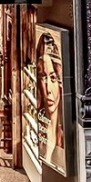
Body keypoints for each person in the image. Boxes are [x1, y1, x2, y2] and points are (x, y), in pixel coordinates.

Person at [36, 31, 65, 172]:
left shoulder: (65, 136)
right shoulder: (39, 126)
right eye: (43, 77)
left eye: (53, 78)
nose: (48, 89)